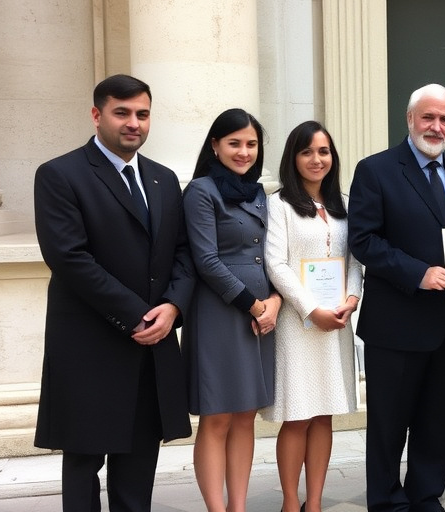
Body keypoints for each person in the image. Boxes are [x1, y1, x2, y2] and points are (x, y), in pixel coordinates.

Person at [33, 74, 196, 512]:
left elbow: (182, 253)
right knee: (84, 465)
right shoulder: (59, 175)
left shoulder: (163, 179)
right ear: (96, 115)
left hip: (151, 347)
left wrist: (173, 307)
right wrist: (139, 315)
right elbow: (69, 258)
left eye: (142, 114)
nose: (134, 123)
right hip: (90, 347)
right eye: (121, 113)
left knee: (139, 466)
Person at [348, 83, 445, 512]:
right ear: (410, 119)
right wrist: (418, 274)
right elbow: (364, 240)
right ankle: (387, 502)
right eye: (428, 117)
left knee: (438, 422)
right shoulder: (376, 170)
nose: (436, 126)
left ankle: (426, 495)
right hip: (397, 323)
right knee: (388, 425)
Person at [182, 108, 281, 512]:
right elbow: (206, 261)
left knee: (245, 415)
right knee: (218, 416)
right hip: (221, 315)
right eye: (234, 143)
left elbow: (273, 255)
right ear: (215, 145)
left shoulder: (261, 194)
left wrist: (274, 301)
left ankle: (238, 506)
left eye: (251, 144)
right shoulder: (201, 191)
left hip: (261, 316)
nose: (244, 152)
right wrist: (256, 305)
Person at [262, 121, 362, 512]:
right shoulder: (280, 204)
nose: (316, 159)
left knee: (324, 415)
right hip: (297, 325)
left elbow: (355, 260)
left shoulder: (345, 205)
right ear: (293, 157)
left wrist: (351, 299)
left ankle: (315, 502)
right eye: (307, 152)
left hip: (336, 322)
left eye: (323, 151)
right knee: (297, 416)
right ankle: (291, 502)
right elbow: (276, 264)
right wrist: (311, 309)